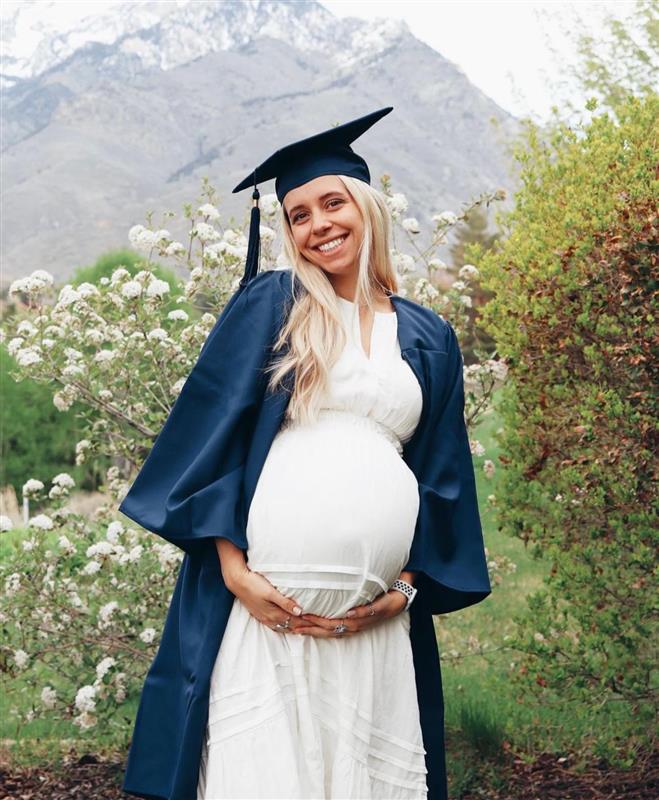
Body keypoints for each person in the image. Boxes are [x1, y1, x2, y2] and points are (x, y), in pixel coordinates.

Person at [119, 107, 492, 800]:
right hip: (266, 610)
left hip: (372, 626)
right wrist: (232, 570)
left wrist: (406, 588)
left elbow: (441, 478)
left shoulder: (427, 334)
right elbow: (211, 440)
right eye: (297, 214)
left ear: (367, 208)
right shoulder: (276, 304)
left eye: (331, 202)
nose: (318, 223)